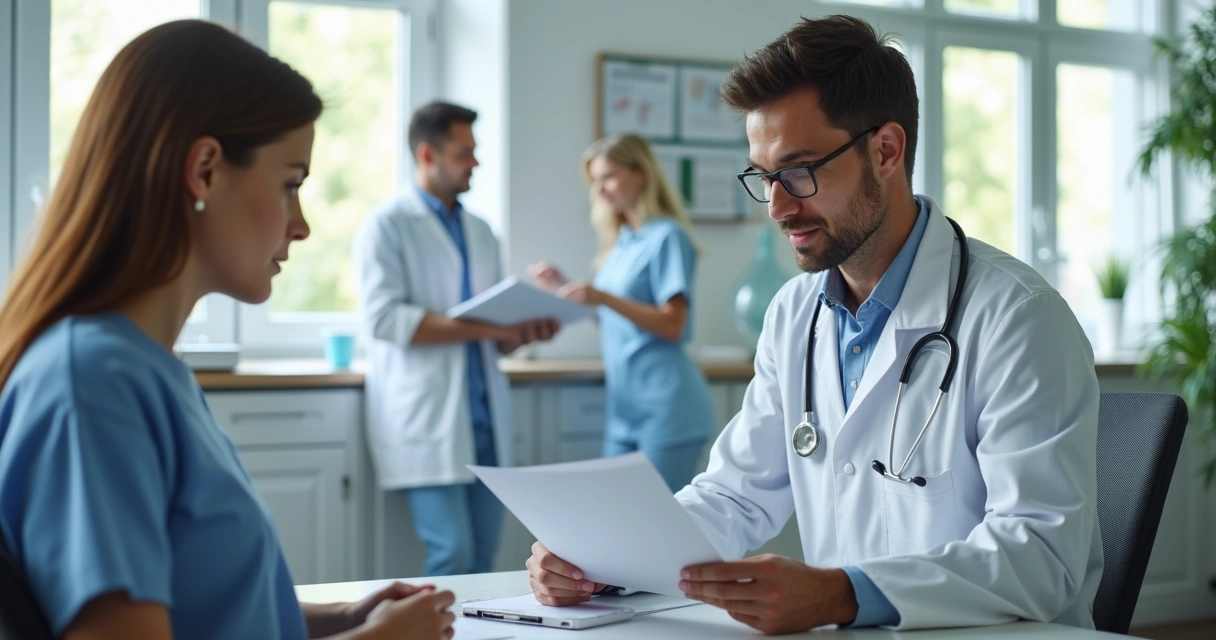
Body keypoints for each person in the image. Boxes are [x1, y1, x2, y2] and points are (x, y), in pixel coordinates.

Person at [526, 14, 1102, 634]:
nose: (776, 205)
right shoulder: (795, 313)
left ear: (886, 150)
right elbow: (734, 494)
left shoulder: (1016, 317)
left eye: (799, 171)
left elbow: (1042, 555)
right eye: (763, 176)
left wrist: (842, 596)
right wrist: (602, 560)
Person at [0, 20, 454, 640]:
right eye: (290, 183)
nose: (302, 225)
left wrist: (344, 618)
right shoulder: (92, 383)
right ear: (206, 169)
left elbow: (207, 610)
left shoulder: (148, 370)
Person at [353, 102, 558, 577]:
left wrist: (525, 331)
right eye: (465, 153)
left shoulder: (481, 231)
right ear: (428, 154)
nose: (476, 163)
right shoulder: (386, 226)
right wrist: (494, 329)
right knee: (453, 555)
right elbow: (386, 320)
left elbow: (493, 335)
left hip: (483, 419)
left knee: (483, 561)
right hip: (426, 421)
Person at [528, 134, 714, 491]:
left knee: (653, 532)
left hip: (667, 410)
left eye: (609, 177)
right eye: (594, 181)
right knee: (617, 525)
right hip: (624, 411)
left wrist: (604, 298)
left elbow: (674, 324)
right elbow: (615, 321)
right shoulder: (620, 242)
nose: (600, 189)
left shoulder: (667, 237)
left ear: (640, 174)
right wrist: (564, 288)